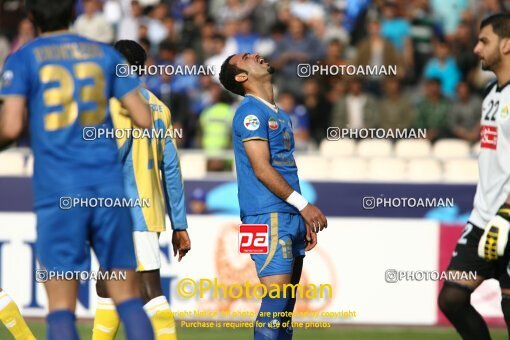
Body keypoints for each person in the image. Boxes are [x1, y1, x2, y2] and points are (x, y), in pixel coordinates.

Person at [0, 1, 154, 339]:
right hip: (108, 189)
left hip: (58, 189)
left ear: (31, 17)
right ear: (74, 14)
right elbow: (144, 118)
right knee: (128, 299)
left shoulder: (23, 58)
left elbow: (10, 128)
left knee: (60, 308)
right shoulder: (106, 55)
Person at [219, 52, 328, 339]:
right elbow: (262, 169)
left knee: (285, 314)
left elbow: (285, 168)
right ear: (241, 77)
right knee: (274, 307)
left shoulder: (277, 112)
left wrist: (299, 216)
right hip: (265, 215)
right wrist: (304, 206)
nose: (256, 54)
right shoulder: (250, 113)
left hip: (287, 215)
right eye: (246, 57)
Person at [91, 40, 191, 340]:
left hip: (126, 213)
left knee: (148, 288)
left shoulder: (114, 102)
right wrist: (180, 224)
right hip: (147, 212)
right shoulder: (159, 107)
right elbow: (171, 168)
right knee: (106, 284)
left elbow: (111, 155)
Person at [438, 14, 510, 340]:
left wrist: (507, 211)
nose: (477, 48)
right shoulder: (492, 91)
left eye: (485, 41)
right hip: (483, 220)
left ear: (506, 45)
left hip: (508, 218)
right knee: (452, 298)